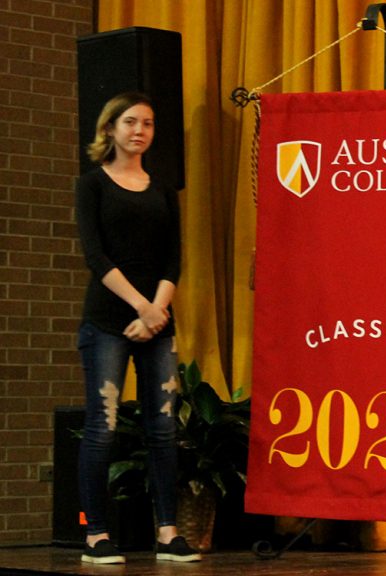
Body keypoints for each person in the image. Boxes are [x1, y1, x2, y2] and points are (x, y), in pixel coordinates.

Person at [75, 92, 200, 564]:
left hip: (158, 322)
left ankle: (168, 533)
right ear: (110, 128)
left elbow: (173, 257)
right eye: (130, 122)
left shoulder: (164, 190)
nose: (139, 130)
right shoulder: (92, 185)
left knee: (163, 428)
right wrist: (142, 308)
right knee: (102, 428)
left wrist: (157, 312)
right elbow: (95, 256)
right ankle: (97, 536)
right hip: (109, 321)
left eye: (147, 123)